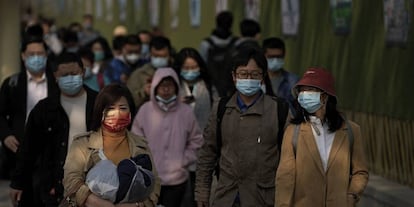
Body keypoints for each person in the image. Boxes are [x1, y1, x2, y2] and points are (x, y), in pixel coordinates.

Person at [195, 48, 287, 207]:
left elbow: (289, 159)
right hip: (226, 197)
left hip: (263, 198)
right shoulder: (221, 108)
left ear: (263, 77)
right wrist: (202, 191)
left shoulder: (278, 110)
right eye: (243, 74)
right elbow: (207, 153)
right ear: (234, 76)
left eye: (254, 74)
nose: (248, 79)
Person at [9, 52, 98, 207]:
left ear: (83, 72)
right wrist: (18, 182)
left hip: (94, 182)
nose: (70, 78)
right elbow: (28, 149)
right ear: (55, 76)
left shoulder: (98, 103)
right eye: (64, 75)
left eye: (74, 73)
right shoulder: (44, 109)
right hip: (54, 186)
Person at [275, 67, 369, 207]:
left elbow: (360, 171)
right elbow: (285, 177)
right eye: (302, 90)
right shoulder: (293, 131)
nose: (304, 94)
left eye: (310, 90)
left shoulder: (351, 131)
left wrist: (351, 195)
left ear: (325, 97)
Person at [62, 83, 160, 206]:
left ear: (131, 112)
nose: (117, 113)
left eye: (123, 108)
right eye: (110, 108)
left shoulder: (141, 145)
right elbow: (71, 181)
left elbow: (154, 184)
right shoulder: (82, 144)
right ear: (100, 111)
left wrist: (135, 205)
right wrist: (97, 202)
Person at [131, 68, 203, 207]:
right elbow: (135, 141)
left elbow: (197, 140)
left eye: (170, 85)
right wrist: (144, 163)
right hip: (150, 178)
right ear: (155, 87)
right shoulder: (145, 110)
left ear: (176, 87)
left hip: (177, 180)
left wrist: (184, 160)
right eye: (162, 85)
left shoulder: (186, 112)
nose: (166, 89)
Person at [0, 36, 58, 204]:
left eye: (40, 53)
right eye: (31, 54)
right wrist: (6, 135)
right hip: (21, 150)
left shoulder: (56, 81)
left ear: (46, 55)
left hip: (51, 150)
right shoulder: (12, 84)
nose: (36, 57)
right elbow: (1, 114)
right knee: (25, 198)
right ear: (23, 56)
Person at [174, 48, 218, 207]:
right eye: (186, 68)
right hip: (176, 148)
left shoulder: (208, 85)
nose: (190, 71)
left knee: (199, 190)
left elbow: (216, 111)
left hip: (203, 145)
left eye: (193, 67)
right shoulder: (173, 85)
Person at [127, 36, 173, 109]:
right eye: (156, 56)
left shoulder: (176, 72)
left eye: (163, 57)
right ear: (150, 54)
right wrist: (144, 93)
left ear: (169, 55)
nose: (159, 60)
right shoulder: (139, 74)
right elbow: (129, 102)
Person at [199, 11, 238, 97]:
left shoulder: (206, 44)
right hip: (223, 86)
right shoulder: (236, 43)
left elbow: (201, 65)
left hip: (226, 87)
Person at [262, 37, 299, 111]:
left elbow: (297, 108)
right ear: (263, 56)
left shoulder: (293, 81)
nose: (275, 60)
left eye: (279, 57)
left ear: (284, 55)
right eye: (271, 57)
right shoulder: (257, 80)